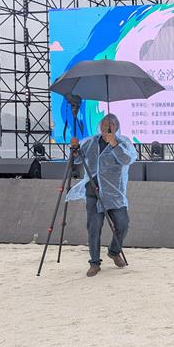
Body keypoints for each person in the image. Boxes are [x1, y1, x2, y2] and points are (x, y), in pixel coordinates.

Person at [67, 113, 137, 277]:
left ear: (116, 127)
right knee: (94, 227)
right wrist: (74, 150)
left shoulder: (123, 142)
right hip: (93, 191)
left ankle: (114, 251)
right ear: (100, 125)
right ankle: (94, 262)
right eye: (105, 124)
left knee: (123, 224)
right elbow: (76, 161)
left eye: (111, 125)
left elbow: (127, 160)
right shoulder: (91, 142)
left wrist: (114, 145)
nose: (107, 127)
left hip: (114, 194)